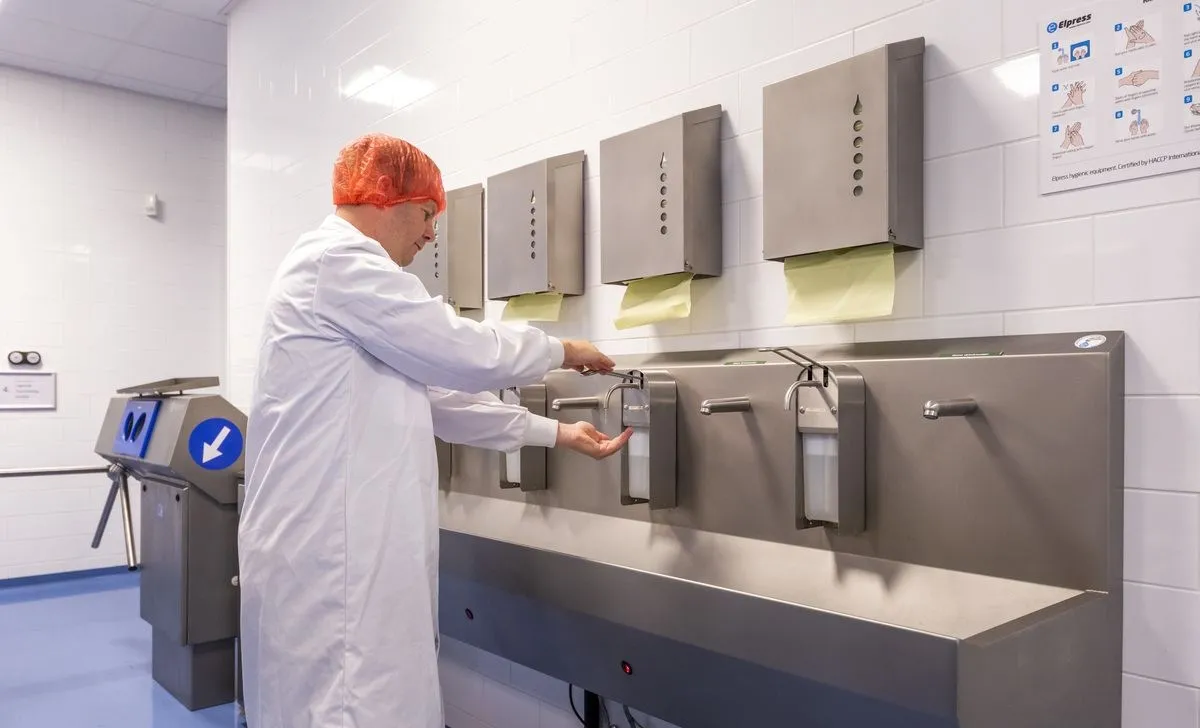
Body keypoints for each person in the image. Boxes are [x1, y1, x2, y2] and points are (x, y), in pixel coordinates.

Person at [237, 133, 632, 728]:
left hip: (342, 546)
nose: (430, 234)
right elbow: (457, 351)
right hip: (331, 556)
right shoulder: (338, 263)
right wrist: (562, 348)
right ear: (386, 198)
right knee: (348, 703)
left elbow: (439, 398)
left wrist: (555, 433)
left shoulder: (342, 280)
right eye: (425, 214)